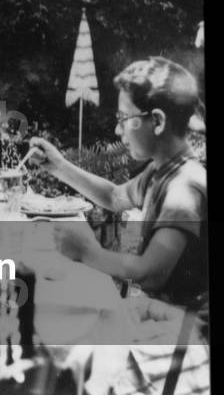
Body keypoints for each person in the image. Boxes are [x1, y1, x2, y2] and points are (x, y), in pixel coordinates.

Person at [29, 57, 207, 309]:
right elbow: (114, 197)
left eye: (124, 117)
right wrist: (58, 165)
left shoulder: (183, 189)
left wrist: (87, 251)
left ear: (157, 121)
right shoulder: (161, 171)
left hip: (186, 333)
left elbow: (151, 274)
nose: (117, 130)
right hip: (162, 319)